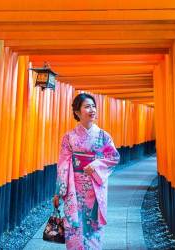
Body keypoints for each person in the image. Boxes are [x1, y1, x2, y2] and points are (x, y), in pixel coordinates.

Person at [53, 93, 120, 250]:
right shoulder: (69, 137)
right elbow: (63, 165)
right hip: (74, 189)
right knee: (73, 227)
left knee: (93, 228)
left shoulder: (103, 137)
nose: (92, 110)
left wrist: (96, 165)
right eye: (87, 106)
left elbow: (113, 157)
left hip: (94, 188)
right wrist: (58, 192)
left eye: (94, 106)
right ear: (77, 112)